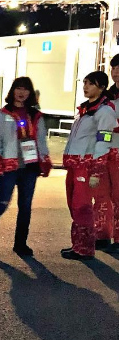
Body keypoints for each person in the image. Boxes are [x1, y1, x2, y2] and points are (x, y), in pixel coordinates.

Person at [0, 77, 52, 256]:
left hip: (30, 167)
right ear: (13, 91)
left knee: (25, 207)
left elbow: (41, 140)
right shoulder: (3, 114)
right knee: (2, 203)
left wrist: (45, 160)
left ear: (30, 93)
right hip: (8, 166)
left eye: (25, 89)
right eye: (18, 88)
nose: (21, 92)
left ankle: (20, 244)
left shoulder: (36, 115)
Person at [61, 71, 117, 261]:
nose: (85, 87)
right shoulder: (85, 109)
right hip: (74, 164)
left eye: (90, 84)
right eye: (84, 82)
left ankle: (85, 249)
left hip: (86, 165)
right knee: (73, 205)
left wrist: (96, 171)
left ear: (101, 88)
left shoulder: (105, 112)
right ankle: (78, 244)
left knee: (81, 207)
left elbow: (104, 141)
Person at [97, 53, 119, 250]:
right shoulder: (106, 97)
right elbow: (102, 129)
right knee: (102, 195)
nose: (116, 73)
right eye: (113, 68)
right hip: (106, 152)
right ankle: (102, 234)